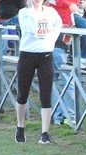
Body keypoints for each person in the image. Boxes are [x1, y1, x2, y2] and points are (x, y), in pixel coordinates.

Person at [15, 0, 62, 144]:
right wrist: (33, 10)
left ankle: (45, 132)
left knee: (46, 94)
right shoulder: (24, 13)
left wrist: (51, 41)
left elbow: (58, 25)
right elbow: (31, 29)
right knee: (23, 93)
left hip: (45, 54)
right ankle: (20, 125)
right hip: (27, 54)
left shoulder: (51, 12)